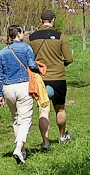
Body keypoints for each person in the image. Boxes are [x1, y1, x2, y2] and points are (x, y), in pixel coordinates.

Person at [0, 24, 43, 164]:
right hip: (23, 85)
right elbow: (32, 65)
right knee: (25, 119)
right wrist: (39, 67)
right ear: (18, 34)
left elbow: (0, 75)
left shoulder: (3, 52)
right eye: (22, 32)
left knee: (16, 118)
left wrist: (0, 94)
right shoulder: (26, 48)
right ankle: (18, 148)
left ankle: (22, 150)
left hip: (8, 87)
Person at [28, 9, 74, 149]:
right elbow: (69, 58)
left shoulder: (32, 37)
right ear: (53, 20)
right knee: (60, 109)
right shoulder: (60, 36)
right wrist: (61, 64)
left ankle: (45, 142)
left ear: (41, 20)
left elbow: (29, 59)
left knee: (43, 110)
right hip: (58, 77)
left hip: (41, 79)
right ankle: (61, 136)